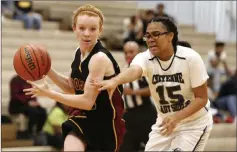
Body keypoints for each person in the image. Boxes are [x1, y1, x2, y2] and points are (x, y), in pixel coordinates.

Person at [93, 17, 213, 151]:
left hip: (194, 123)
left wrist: (177, 117)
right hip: (165, 121)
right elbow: (134, 71)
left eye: (156, 34)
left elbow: (202, 98)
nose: (150, 39)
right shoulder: (144, 57)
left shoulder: (191, 58)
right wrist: (114, 80)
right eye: (147, 36)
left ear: (170, 36)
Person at [23, 4, 125, 151]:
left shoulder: (99, 58)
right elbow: (72, 87)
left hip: (104, 125)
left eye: (92, 29)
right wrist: (47, 69)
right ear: (74, 29)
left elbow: (87, 101)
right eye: (82, 28)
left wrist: (50, 94)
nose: (87, 33)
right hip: (82, 118)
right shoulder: (78, 52)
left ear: (100, 31)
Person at [119, 41, 157, 152]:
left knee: (154, 146)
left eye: (131, 52)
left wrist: (134, 92)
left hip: (145, 113)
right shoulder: (124, 68)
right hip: (129, 115)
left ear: (139, 53)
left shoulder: (145, 68)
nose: (128, 55)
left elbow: (153, 89)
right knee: (125, 147)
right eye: (125, 52)